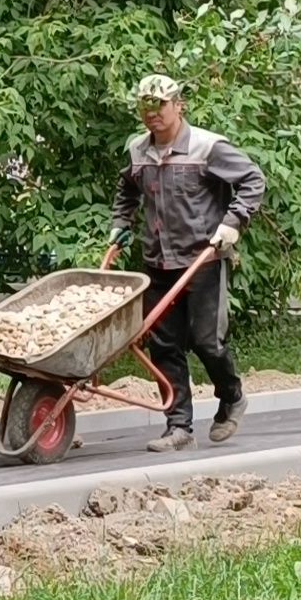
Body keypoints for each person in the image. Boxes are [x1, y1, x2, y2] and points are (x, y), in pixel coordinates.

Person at [109, 75, 266, 453]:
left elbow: (252, 180)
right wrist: (121, 225)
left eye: (159, 105)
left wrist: (233, 223)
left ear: (178, 105)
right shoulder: (138, 151)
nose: (152, 114)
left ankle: (232, 397)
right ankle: (178, 427)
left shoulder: (207, 147)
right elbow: (127, 191)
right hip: (158, 260)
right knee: (163, 345)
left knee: (207, 342)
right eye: (145, 107)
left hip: (203, 258)